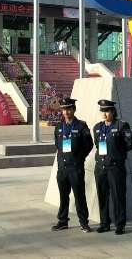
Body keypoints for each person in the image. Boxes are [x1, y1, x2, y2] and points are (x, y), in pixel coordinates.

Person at [92, 99, 132, 235]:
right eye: (102, 111)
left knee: (118, 196)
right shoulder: (97, 127)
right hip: (101, 167)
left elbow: (131, 144)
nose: (104, 114)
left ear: (113, 111)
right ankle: (104, 223)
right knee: (102, 196)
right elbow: (97, 145)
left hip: (116, 167)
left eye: (107, 111)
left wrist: (118, 152)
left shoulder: (122, 125)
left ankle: (120, 224)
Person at [52, 97, 93, 233]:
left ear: (74, 110)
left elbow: (89, 145)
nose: (66, 112)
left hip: (75, 168)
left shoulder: (81, 126)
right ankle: (63, 221)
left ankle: (84, 222)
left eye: (69, 109)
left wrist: (79, 158)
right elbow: (57, 145)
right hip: (62, 169)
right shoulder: (59, 127)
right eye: (64, 109)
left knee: (79, 196)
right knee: (63, 196)